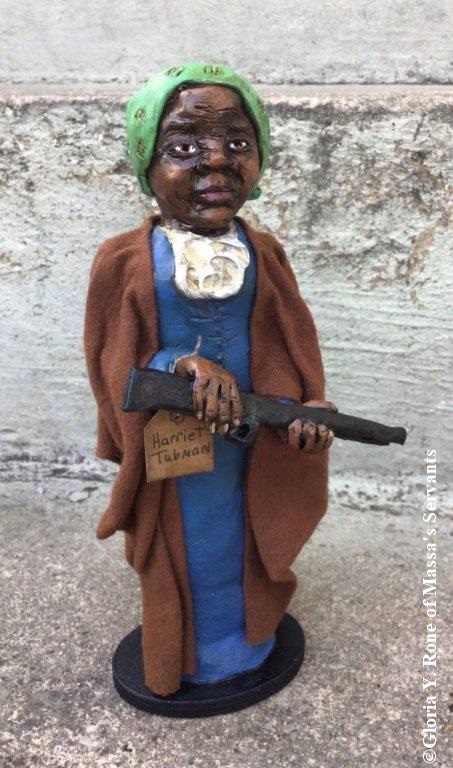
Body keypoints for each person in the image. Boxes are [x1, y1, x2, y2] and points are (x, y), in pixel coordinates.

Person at [84, 62, 335, 696]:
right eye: (183, 146)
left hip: (253, 447)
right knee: (189, 548)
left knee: (246, 540)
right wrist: (178, 365)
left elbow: (292, 341)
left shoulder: (264, 253)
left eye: (237, 141)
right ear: (146, 162)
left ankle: (249, 643)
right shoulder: (123, 261)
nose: (216, 160)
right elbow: (112, 361)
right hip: (175, 451)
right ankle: (190, 655)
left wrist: (305, 406)